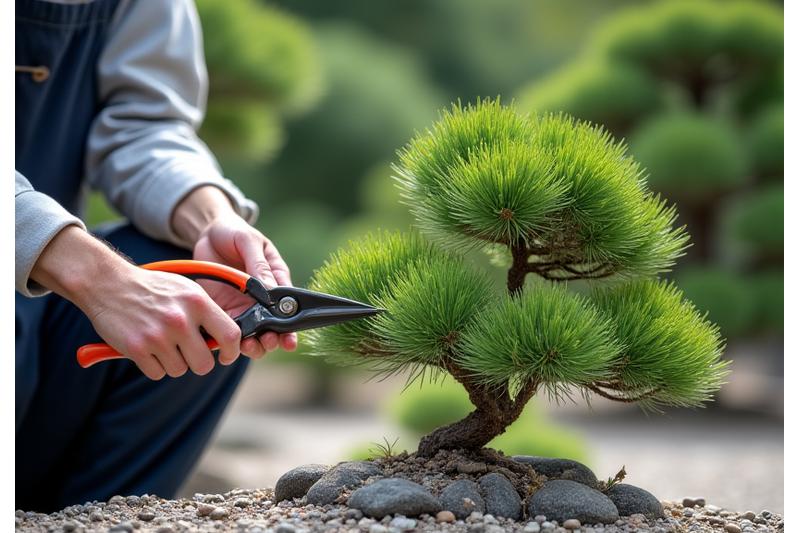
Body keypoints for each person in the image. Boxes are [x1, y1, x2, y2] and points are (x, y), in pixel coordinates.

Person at [15, 0, 296, 511]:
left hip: (37, 314)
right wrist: (99, 278)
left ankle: (92, 519)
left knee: (207, 294)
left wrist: (210, 218)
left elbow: (143, 126)